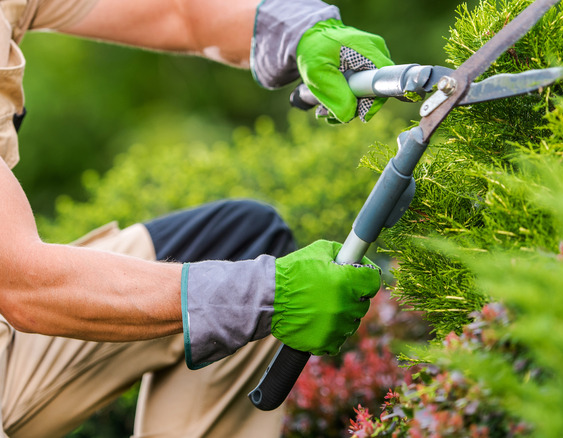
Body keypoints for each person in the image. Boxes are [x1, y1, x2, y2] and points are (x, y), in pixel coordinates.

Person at [0, 0, 393, 436]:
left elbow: (178, 12)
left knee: (243, 242)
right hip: (19, 295)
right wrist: (262, 293)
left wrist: (297, 31)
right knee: (255, 287)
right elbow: (25, 286)